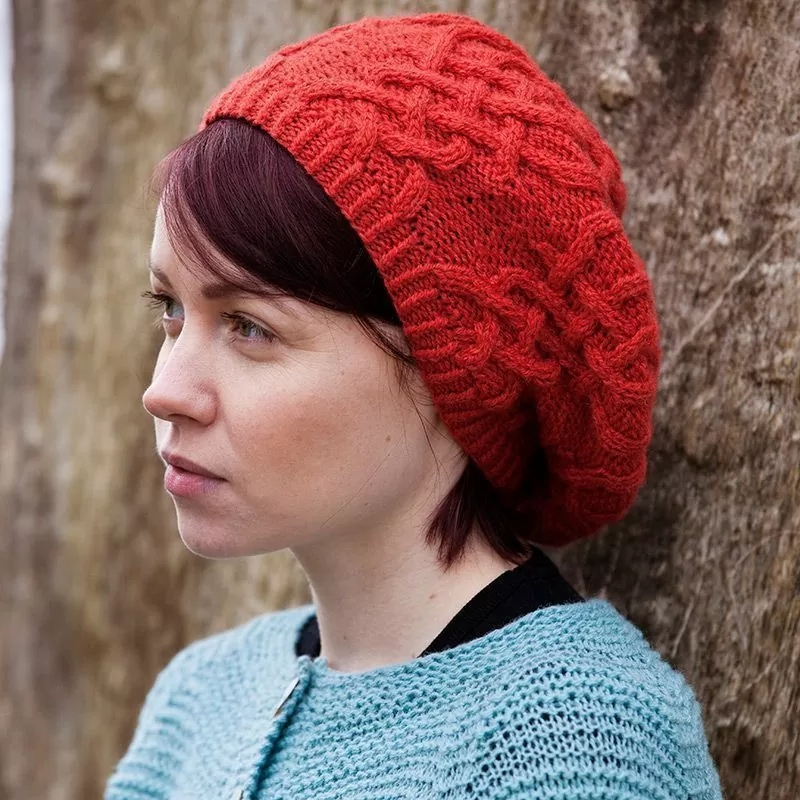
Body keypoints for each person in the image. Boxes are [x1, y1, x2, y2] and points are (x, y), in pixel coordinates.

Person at [105, 12, 723, 800]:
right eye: (169, 308)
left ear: (452, 363)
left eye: (250, 327)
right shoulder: (200, 701)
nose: (163, 390)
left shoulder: (571, 742)